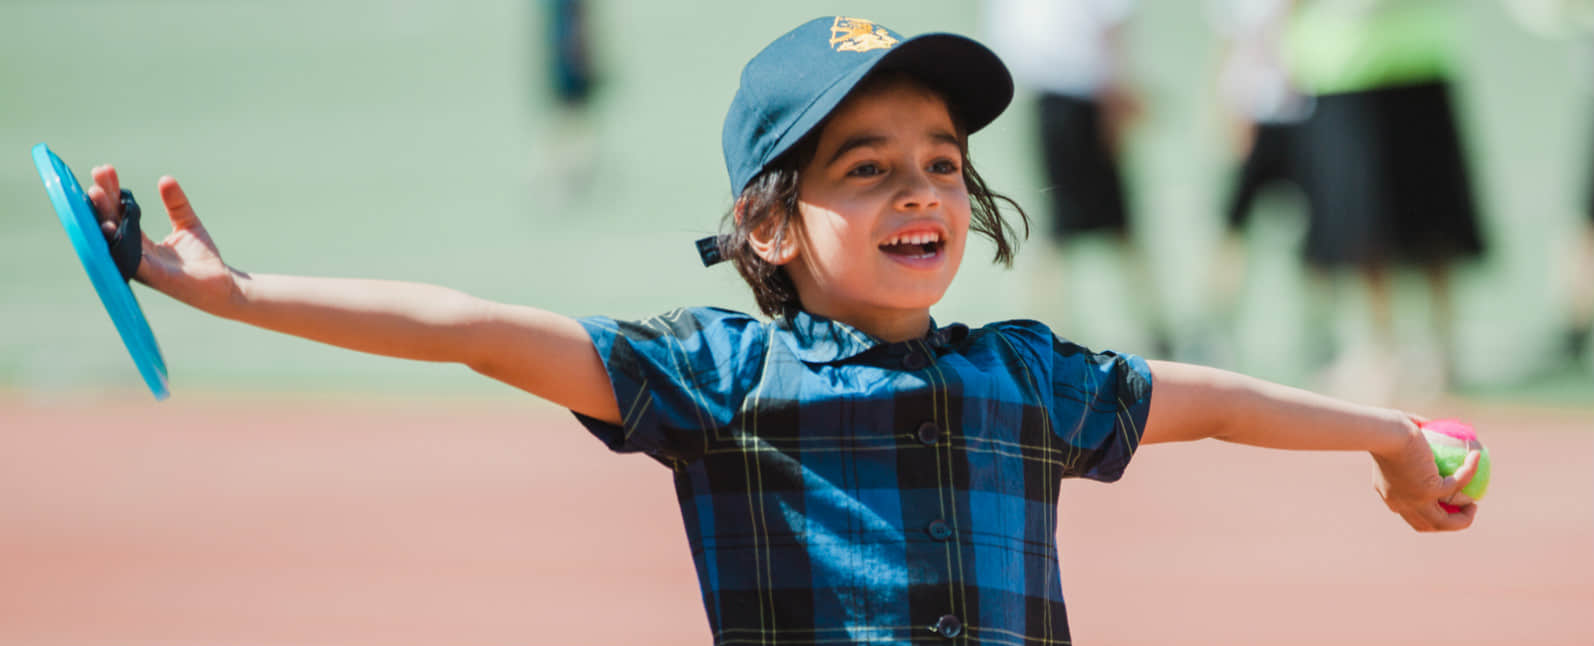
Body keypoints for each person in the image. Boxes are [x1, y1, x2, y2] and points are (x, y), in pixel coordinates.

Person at [85, 16, 1480, 644]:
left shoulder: (1026, 377)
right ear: (766, 225)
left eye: (937, 158)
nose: (920, 187)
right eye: (863, 167)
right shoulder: (719, 375)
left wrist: (1384, 437)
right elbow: (472, 330)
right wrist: (235, 291)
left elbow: (1216, 399)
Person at [1282, 0, 1490, 402]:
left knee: (1435, 226)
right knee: (1362, 228)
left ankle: (1444, 350)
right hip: (1341, 75)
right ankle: (1381, 352)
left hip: (1419, 66)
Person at [981, 0, 1172, 357]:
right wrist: (1118, 95)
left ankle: (1051, 338)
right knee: (1072, 228)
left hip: (1067, 102)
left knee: (1081, 228)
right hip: (1073, 103)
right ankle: (1051, 335)